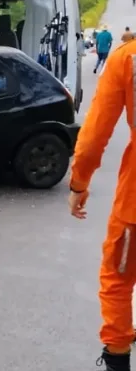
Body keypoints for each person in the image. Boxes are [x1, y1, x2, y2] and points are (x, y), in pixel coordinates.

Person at [68, 33, 136, 371]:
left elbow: (95, 135)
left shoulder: (127, 58)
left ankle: (118, 357)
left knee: (118, 280)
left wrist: (79, 183)